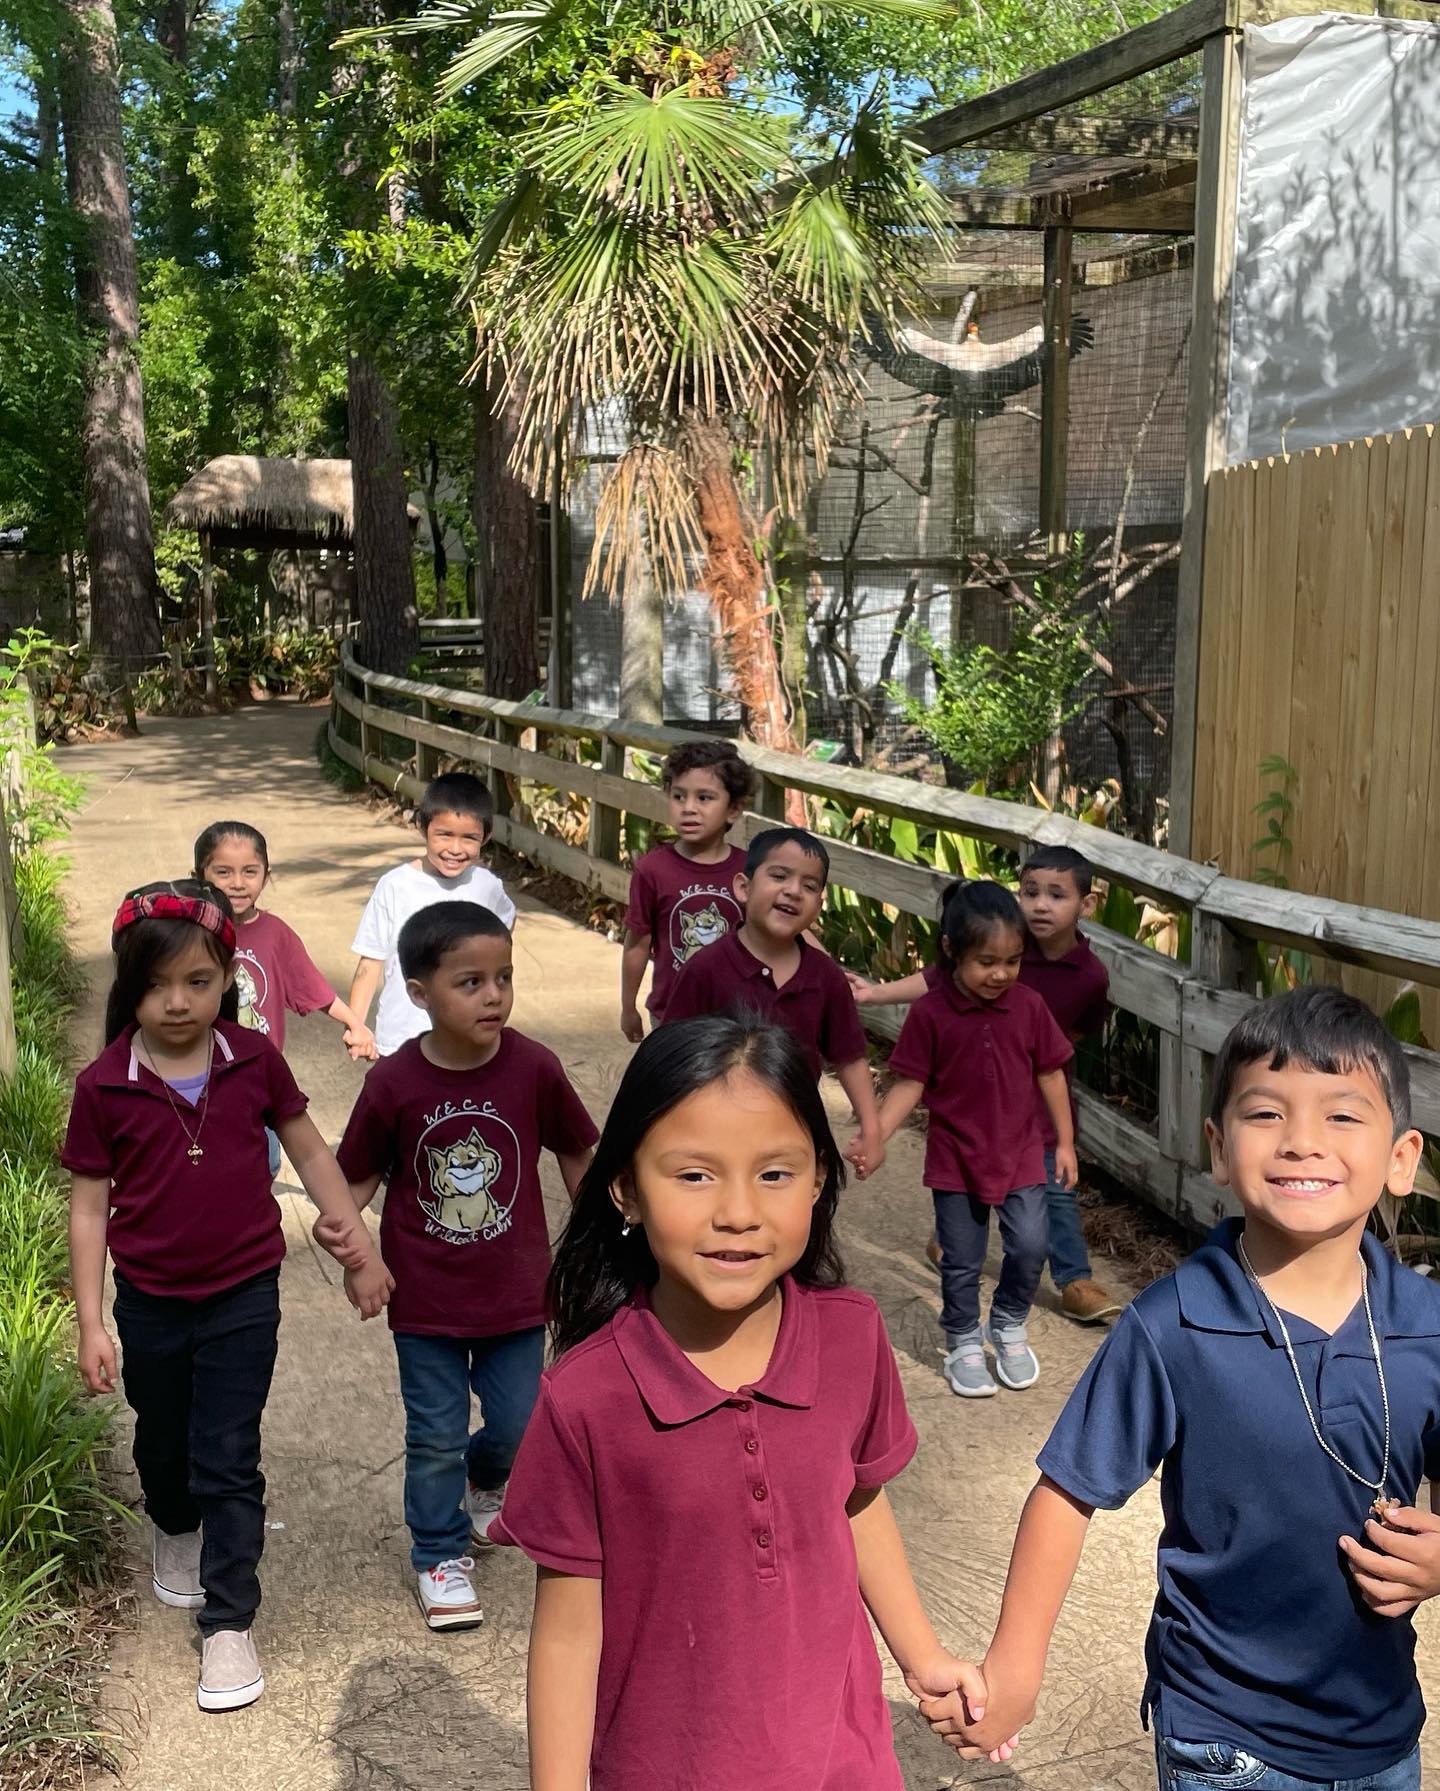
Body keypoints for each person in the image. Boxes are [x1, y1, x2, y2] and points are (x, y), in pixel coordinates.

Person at [923, 985, 1440, 1787]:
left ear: (1401, 1157)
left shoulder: (1427, 1325)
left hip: (1382, 1735)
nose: (1303, 1141)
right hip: (1224, 1738)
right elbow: (1067, 1490)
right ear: (1218, 1146)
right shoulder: (1173, 1324)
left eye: (1342, 1115)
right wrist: (1014, 1669)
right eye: (1267, 1112)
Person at [488, 1014, 999, 1789]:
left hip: (843, 1761)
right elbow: (566, 1635)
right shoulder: (585, 1398)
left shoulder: (854, 1337)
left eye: (775, 1172)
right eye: (694, 1174)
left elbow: (856, 1502)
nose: (738, 1211)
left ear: (820, 1178)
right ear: (626, 1187)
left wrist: (922, 1656)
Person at [62, 881, 391, 1714]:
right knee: (163, 1443)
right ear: (128, 987)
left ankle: (229, 1621)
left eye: (198, 981)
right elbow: (89, 1206)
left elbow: (314, 1153)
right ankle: (174, 1524)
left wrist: (357, 1243)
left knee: (228, 1453)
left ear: (227, 981)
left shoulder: (253, 1059)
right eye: (155, 985)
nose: (177, 1002)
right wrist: (91, 1320)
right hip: (150, 1300)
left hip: (245, 1291)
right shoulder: (106, 1085)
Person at [320, 901, 597, 1631]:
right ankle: (439, 1554)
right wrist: (355, 1251)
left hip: (515, 1295)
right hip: (427, 1303)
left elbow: (576, 1148)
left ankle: (483, 1478)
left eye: (503, 977)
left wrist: (603, 1232)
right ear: (418, 992)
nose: (494, 995)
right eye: (470, 981)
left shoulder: (535, 1066)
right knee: (434, 1432)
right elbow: (353, 1184)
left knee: (521, 1420)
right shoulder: (395, 1083)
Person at [851, 846, 1121, 1324]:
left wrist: (1059, 1124)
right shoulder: (998, 942)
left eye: (1056, 895)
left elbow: (1074, 1036)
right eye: (1030, 892)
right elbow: (934, 980)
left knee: (1052, 1195)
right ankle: (953, 1241)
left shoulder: (1089, 976)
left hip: (1034, 1101)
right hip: (976, 1099)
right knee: (970, 1182)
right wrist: (874, 994)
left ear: (1087, 903)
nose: (1039, 904)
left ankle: (1074, 1278)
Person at [876, 881, 1074, 1398]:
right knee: (961, 1258)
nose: (1001, 974)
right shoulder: (930, 1014)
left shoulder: (1029, 1007)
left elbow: (1052, 1074)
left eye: (1012, 961)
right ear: (951, 952)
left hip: (1022, 1155)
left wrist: (1067, 1144)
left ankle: (1007, 1323)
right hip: (956, 1159)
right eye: (987, 961)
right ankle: (963, 1338)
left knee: (1031, 1246)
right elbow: (911, 1083)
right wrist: (874, 1135)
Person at [663, 826, 884, 1176]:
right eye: (779, 875)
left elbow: (850, 1056)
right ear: (743, 888)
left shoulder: (826, 978)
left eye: (809, 886)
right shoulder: (705, 969)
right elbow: (668, 1055)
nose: (794, 891)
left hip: (792, 1130)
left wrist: (872, 1130)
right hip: (712, 1131)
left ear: (819, 905)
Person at [347, 771, 517, 1057]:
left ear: (486, 837)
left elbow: (504, 933)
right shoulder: (395, 886)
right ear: (423, 827)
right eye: (444, 834)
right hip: (402, 1040)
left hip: (468, 1040)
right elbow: (370, 962)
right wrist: (356, 1026)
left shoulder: (488, 888)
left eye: (469, 838)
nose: (455, 849)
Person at [194, 820, 377, 1060]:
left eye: (250, 871)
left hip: (261, 1067)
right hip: (203, 1066)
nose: (237, 883)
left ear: (266, 876)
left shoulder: (276, 934)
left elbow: (316, 989)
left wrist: (356, 1025)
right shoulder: (191, 932)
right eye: (223, 872)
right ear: (198, 876)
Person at [620, 738, 754, 1040]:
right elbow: (637, 942)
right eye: (679, 796)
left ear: (734, 809)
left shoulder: (750, 870)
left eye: (704, 798)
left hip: (738, 1019)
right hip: (672, 1016)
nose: (689, 808)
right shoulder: (652, 870)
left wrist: (830, 971)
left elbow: (780, 933)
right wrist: (628, 1006)